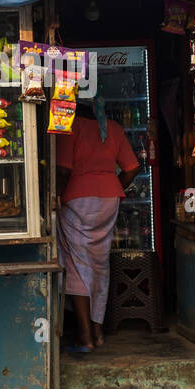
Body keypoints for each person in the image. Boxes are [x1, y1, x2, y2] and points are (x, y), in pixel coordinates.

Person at [55, 98, 140, 352]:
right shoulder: (112, 127)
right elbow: (132, 169)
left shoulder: (69, 127)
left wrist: (55, 199)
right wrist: (111, 188)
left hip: (78, 200)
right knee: (98, 265)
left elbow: (63, 170)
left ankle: (85, 336)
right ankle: (98, 331)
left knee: (77, 264)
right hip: (108, 202)